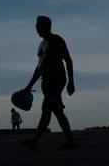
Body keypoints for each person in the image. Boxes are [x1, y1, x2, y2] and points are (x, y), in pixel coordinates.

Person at [20, 16, 77, 150]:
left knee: (46, 108)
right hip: (45, 81)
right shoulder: (41, 45)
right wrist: (29, 85)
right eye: (36, 26)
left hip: (57, 79)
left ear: (47, 26)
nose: (36, 28)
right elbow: (39, 67)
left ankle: (34, 141)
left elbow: (68, 60)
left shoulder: (57, 40)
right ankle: (71, 141)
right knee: (57, 111)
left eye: (39, 26)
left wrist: (71, 82)